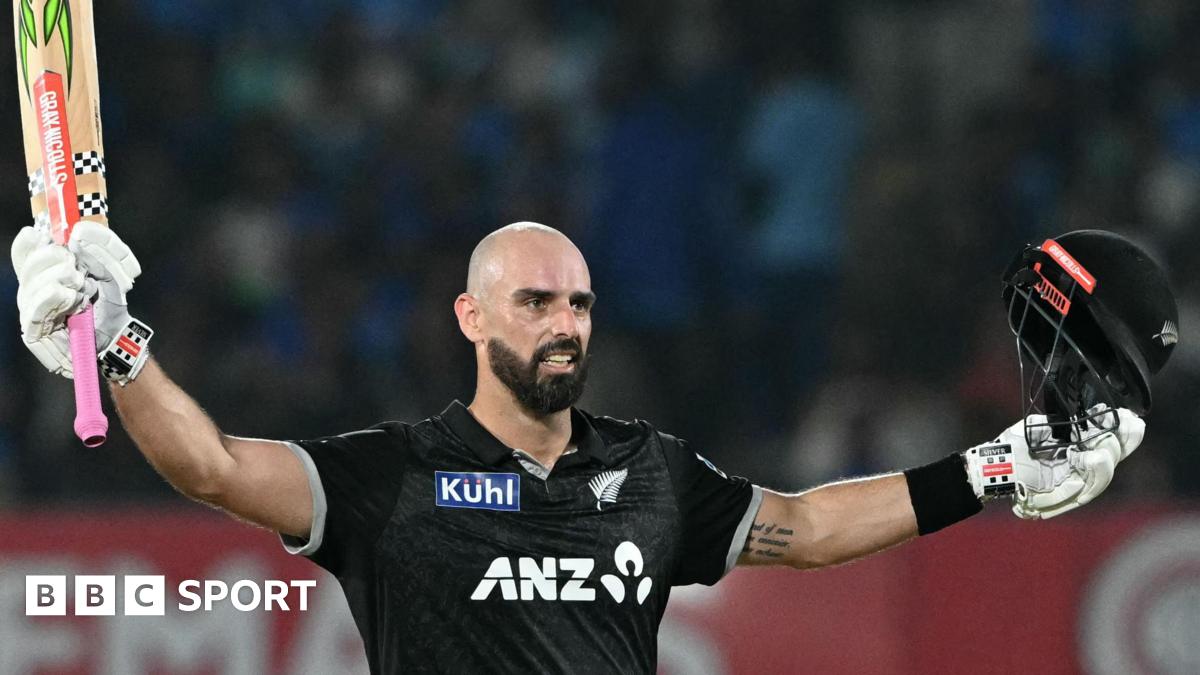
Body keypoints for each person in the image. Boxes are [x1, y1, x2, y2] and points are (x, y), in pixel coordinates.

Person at [11, 221, 1145, 674]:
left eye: (582, 306)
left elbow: (807, 529)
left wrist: (994, 470)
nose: (565, 325)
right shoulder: (387, 479)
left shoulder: (650, 473)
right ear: (472, 318)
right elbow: (208, 463)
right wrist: (114, 348)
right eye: (538, 303)